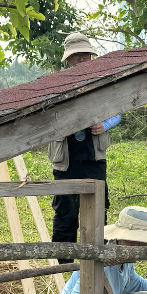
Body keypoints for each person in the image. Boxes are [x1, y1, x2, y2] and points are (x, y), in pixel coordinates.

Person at [48, 33, 121, 259]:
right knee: (65, 214)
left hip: (93, 159)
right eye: (76, 56)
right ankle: (64, 268)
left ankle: (96, 266)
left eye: (85, 55)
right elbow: (45, 119)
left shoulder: (102, 82)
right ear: (68, 59)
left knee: (99, 214)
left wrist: (105, 125)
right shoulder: (55, 84)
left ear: (91, 56)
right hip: (66, 161)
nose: (81, 59)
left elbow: (118, 111)